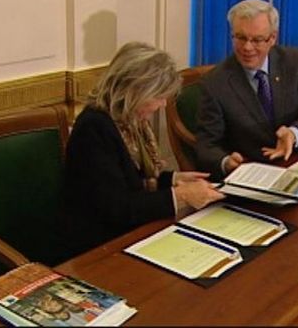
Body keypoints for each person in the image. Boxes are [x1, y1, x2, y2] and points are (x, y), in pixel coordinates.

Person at [64, 42, 223, 257]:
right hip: (99, 248)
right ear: (134, 90)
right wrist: (180, 196)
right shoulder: (94, 128)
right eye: (158, 97)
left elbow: (133, 180)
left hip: (129, 235)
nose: (163, 105)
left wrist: (174, 179)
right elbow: (117, 208)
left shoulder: (128, 121)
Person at [196, 0, 298, 180]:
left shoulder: (295, 61)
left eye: (257, 40)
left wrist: (293, 133)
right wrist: (226, 161)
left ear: (272, 38)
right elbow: (206, 145)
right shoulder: (215, 82)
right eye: (240, 38)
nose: (247, 47)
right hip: (251, 174)